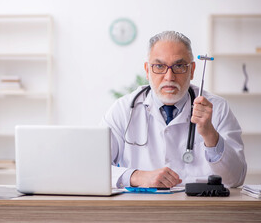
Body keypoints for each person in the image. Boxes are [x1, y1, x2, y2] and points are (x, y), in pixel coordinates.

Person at [102, 31, 247, 189]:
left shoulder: (217, 108)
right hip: (140, 209)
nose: (169, 76)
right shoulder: (123, 110)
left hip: (199, 210)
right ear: (147, 70)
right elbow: (94, 168)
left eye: (179, 66)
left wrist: (210, 134)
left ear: (191, 70)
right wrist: (136, 176)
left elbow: (235, 178)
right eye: (159, 66)